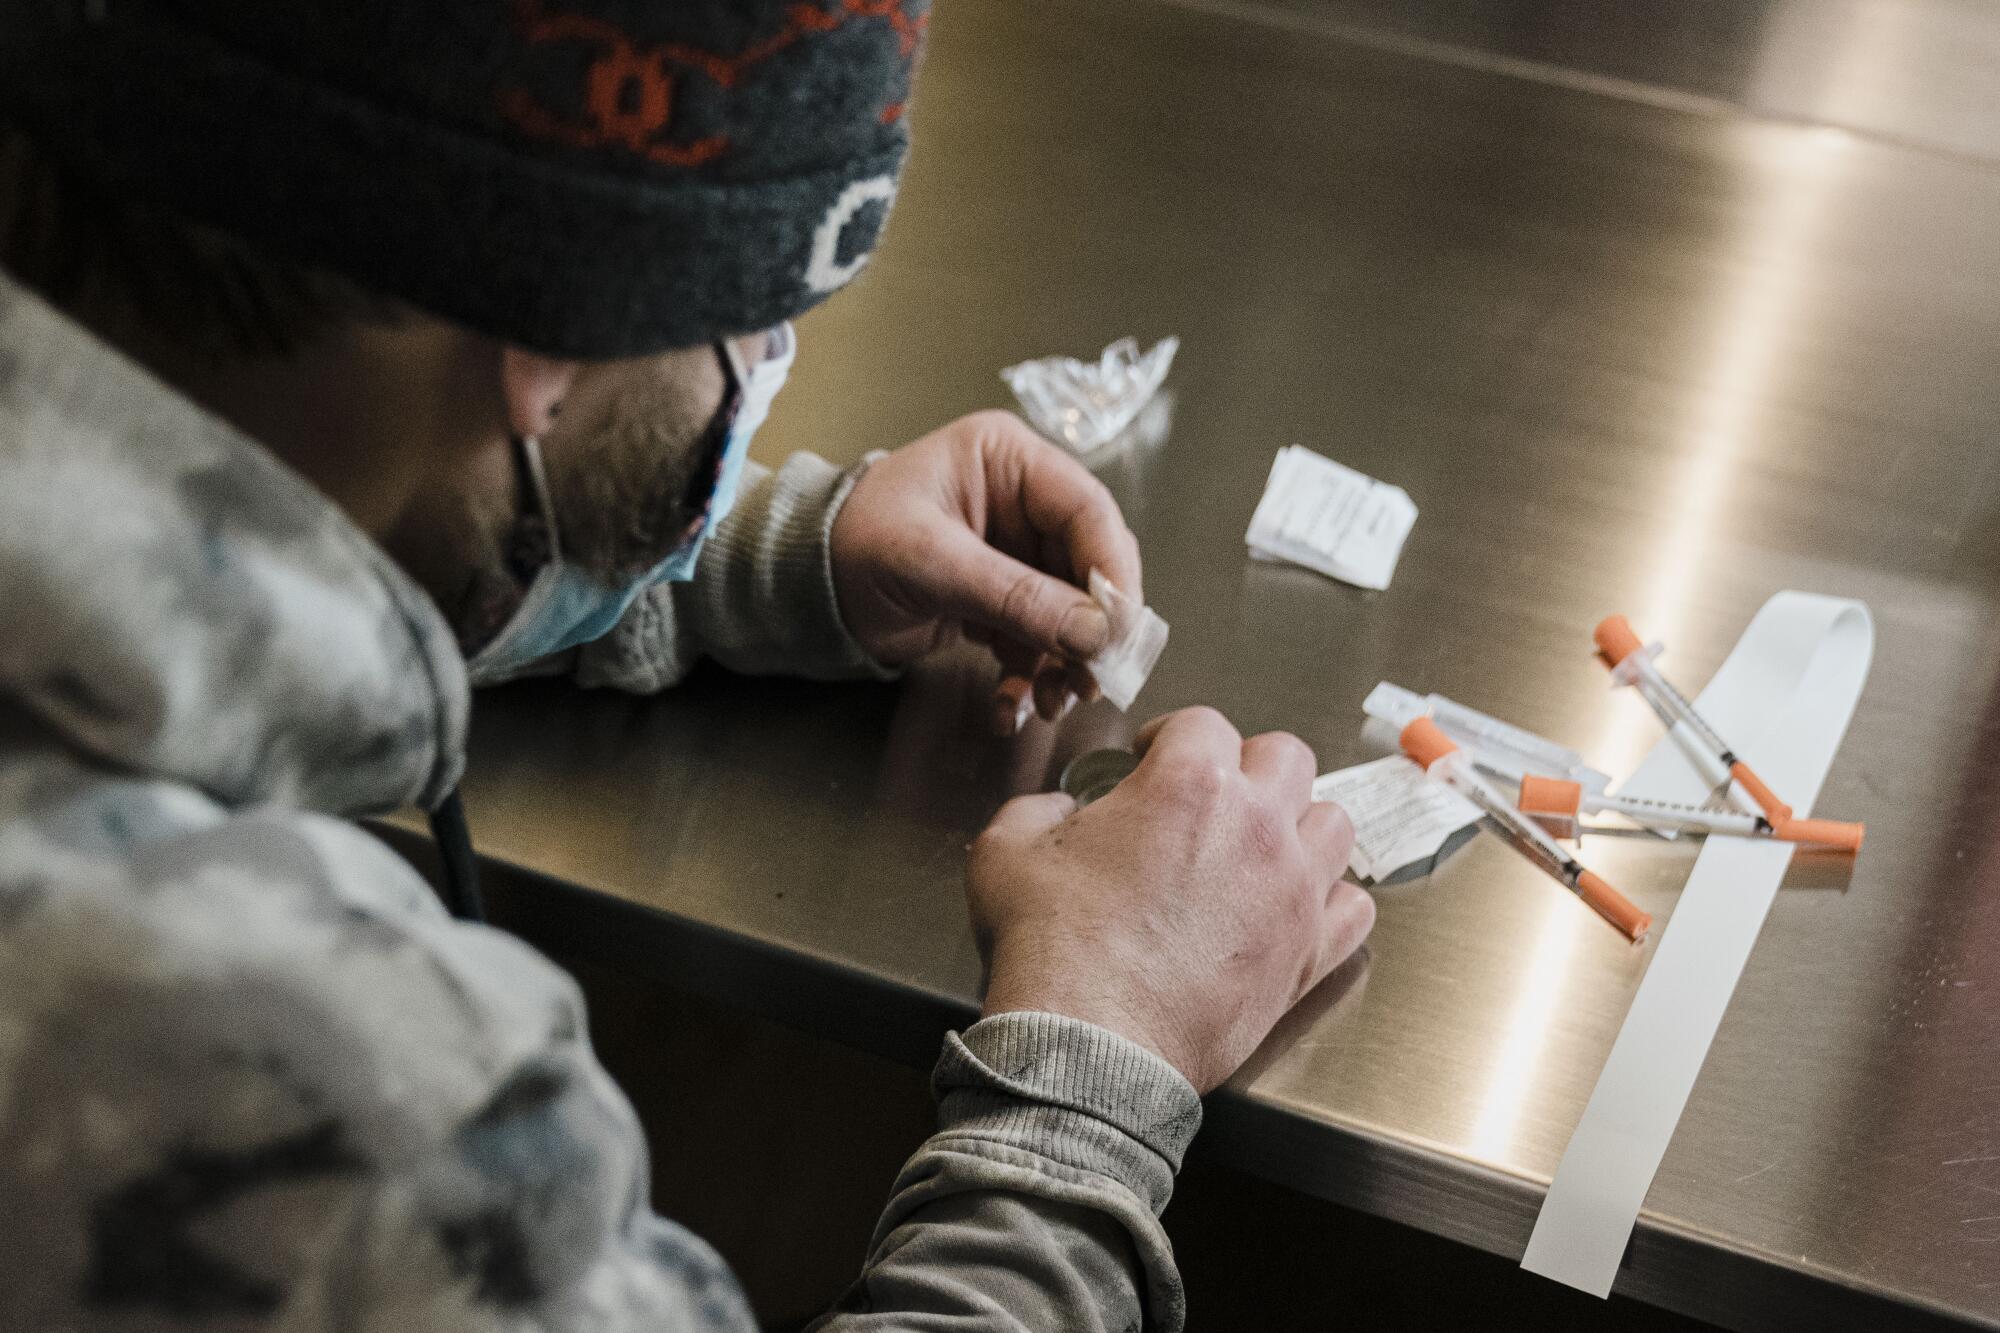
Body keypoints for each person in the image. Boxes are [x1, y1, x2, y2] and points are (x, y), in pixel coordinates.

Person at [0, 1, 1374, 1329]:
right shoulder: (297, 1078)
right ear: (557, 340)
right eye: (757, 319)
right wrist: (1094, 1068)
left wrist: (760, 556)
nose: (768, 359)